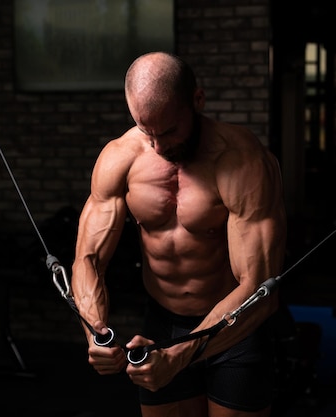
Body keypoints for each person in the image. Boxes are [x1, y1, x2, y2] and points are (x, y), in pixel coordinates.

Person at [71, 51, 287, 417]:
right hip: (163, 322)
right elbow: (87, 258)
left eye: (169, 130)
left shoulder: (242, 160)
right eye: (146, 130)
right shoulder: (120, 157)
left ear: (197, 101)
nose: (158, 145)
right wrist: (94, 329)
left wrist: (180, 353)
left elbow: (259, 290)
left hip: (235, 331)